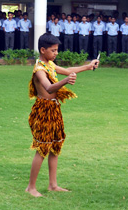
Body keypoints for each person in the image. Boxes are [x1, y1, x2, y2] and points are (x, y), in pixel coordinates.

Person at [25, 33, 99, 197]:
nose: (56, 53)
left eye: (57, 50)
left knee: (55, 146)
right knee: (42, 147)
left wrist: (88, 66)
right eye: (53, 50)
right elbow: (49, 87)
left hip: (54, 108)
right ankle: (31, 187)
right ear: (43, 50)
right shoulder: (39, 69)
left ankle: (53, 185)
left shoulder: (49, 64)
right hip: (43, 110)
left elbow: (67, 71)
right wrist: (66, 81)